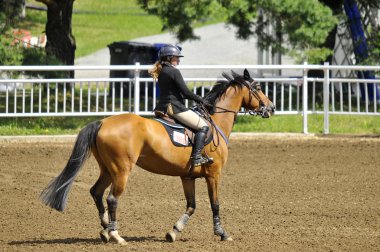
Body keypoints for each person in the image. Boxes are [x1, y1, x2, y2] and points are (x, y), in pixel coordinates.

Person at [149, 44, 213, 167]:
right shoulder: (173, 71)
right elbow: (185, 92)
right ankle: (197, 157)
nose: (178, 60)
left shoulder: (162, 70)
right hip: (174, 108)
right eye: (176, 57)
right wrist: (201, 100)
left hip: (162, 107)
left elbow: (175, 92)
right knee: (203, 126)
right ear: (169, 58)